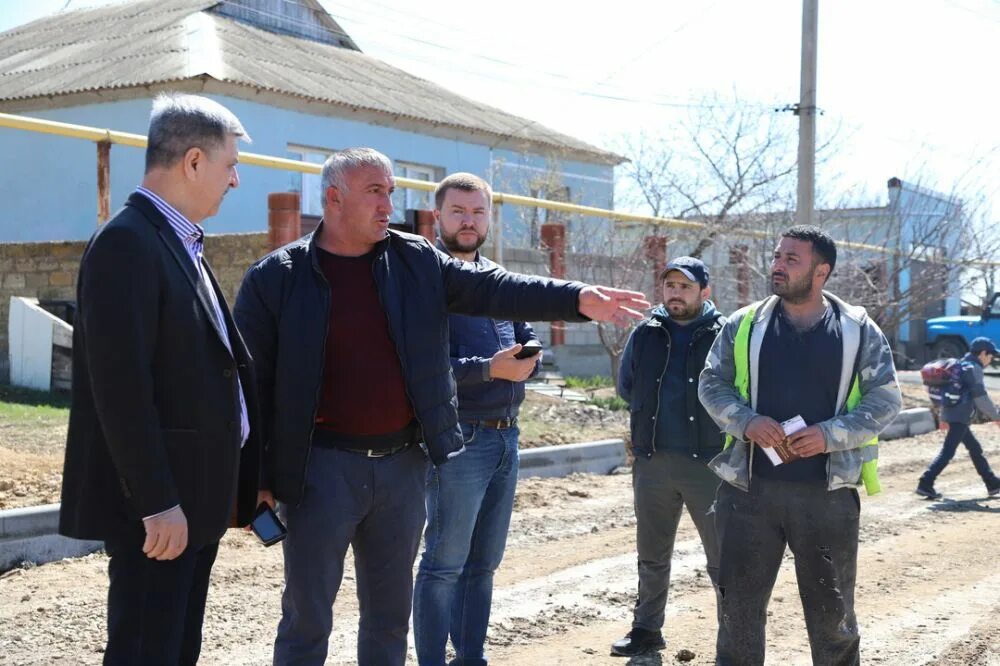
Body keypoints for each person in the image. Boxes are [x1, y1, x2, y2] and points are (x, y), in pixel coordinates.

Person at [232, 148, 648, 666]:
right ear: (334, 198)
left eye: (391, 190)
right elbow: (250, 385)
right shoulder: (278, 276)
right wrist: (257, 476)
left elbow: (496, 288)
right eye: (375, 192)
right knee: (307, 617)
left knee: (388, 619)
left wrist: (576, 299)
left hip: (403, 470)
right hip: (320, 470)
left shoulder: (416, 260)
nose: (390, 204)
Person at [59, 93, 261, 665]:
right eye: (230, 166)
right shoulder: (127, 243)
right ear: (194, 162)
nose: (236, 181)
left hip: (193, 502)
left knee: (175, 650)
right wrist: (156, 502)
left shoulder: (177, 240)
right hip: (161, 512)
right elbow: (120, 390)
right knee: (147, 649)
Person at [698, 225, 902, 665]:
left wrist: (829, 435)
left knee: (833, 619)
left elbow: (886, 400)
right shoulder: (745, 324)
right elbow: (711, 383)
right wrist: (746, 422)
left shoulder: (857, 331)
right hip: (747, 491)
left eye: (792, 259)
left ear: (821, 271)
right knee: (737, 615)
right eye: (777, 256)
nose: (777, 265)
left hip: (826, 497)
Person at [411, 173, 541, 666]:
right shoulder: (427, 281)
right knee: (445, 564)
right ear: (438, 216)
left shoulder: (496, 277)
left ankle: (471, 658)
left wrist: (532, 355)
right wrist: (490, 368)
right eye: (459, 212)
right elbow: (421, 369)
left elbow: (523, 330)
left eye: (478, 212)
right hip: (459, 439)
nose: (469, 221)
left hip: (508, 437)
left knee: (483, 565)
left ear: (489, 217)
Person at [610, 256, 725, 658]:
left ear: (704, 292)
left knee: (722, 555)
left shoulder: (724, 335)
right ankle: (646, 630)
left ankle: (733, 633)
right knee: (652, 554)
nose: (675, 294)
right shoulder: (646, 333)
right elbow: (628, 387)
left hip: (709, 464)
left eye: (685, 287)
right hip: (653, 461)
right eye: (670, 286)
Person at [916, 336, 1000, 499]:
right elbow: (981, 397)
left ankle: (992, 483)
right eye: (990, 355)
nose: (991, 359)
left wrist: (943, 417)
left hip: (954, 414)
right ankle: (925, 482)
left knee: (975, 449)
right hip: (960, 416)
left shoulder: (960, 365)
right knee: (948, 451)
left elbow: (947, 393)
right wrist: (996, 416)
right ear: (983, 353)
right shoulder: (973, 368)